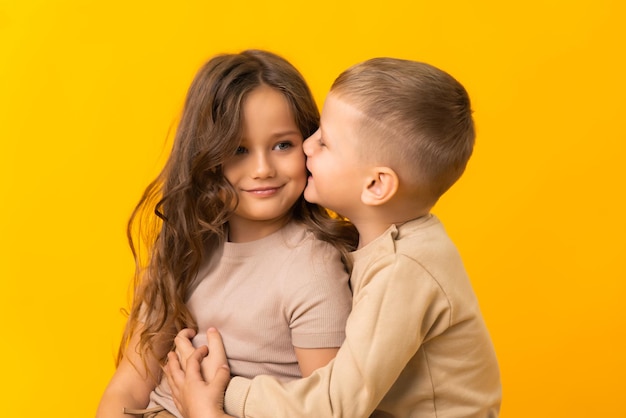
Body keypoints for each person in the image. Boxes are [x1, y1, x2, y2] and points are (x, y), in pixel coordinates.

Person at [165, 57, 502, 418]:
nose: (306, 145)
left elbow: (332, 407)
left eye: (324, 142)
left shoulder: (404, 270)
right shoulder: (394, 248)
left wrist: (218, 391)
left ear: (375, 185)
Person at [95, 49, 358, 418]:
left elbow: (328, 412)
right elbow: (130, 384)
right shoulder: (186, 246)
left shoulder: (313, 268)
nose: (263, 168)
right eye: (238, 149)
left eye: (283, 144)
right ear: (204, 157)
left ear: (310, 143)